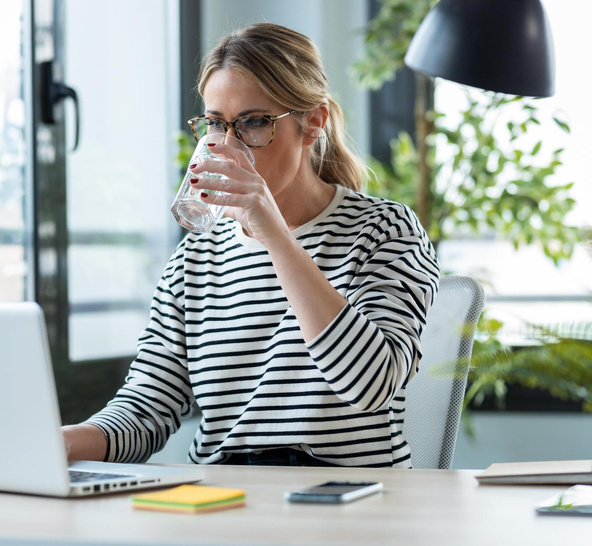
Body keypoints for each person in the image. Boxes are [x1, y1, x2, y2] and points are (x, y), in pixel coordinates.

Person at [62, 22, 439, 468]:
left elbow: (371, 384)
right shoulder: (193, 261)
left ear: (313, 121)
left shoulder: (384, 231)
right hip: (226, 503)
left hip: (350, 504)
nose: (229, 145)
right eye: (218, 124)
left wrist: (276, 237)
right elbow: (145, 412)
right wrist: (58, 442)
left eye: (254, 122)